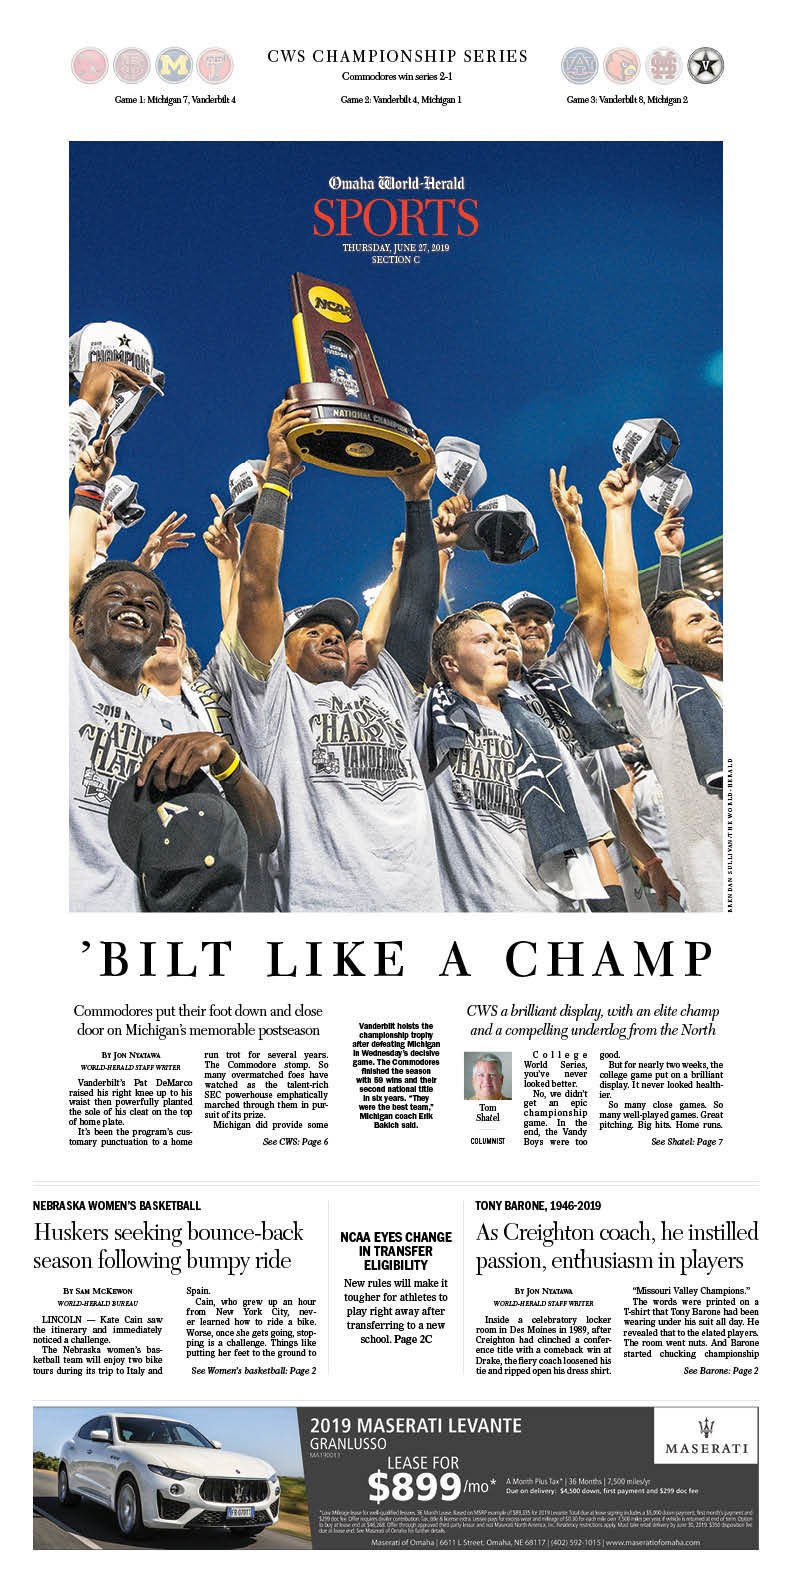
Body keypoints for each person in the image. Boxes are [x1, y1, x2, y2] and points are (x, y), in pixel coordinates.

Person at [220, 400, 444, 912]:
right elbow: (257, 589)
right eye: (310, 630)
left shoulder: (381, 689)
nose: (331, 636)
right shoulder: (271, 696)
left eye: (338, 631)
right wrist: (277, 475)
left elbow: (416, 607)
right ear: (281, 645)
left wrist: (417, 501)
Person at [69, 471, 279, 910]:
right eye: (117, 596)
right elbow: (77, 588)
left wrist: (223, 758)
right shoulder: (69, 682)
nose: (134, 605)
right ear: (77, 624)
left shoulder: (188, 721)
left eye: (152, 608)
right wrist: (89, 492)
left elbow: (265, 833)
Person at [415, 611, 607, 912]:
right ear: (450, 663)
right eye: (483, 640)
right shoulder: (426, 717)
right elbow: (414, 611)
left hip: (560, 909)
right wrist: (434, 561)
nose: (500, 645)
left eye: (500, 639)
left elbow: (589, 829)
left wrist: (613, 907)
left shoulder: (538, 730)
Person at [600, 463, 723, 911]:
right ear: (665, 648)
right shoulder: (664, 701)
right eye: (699, 620)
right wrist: (618, 512)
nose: (715, 621)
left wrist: (671, 559)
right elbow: (629, 608)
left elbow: (672, 625)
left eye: (713, 614)